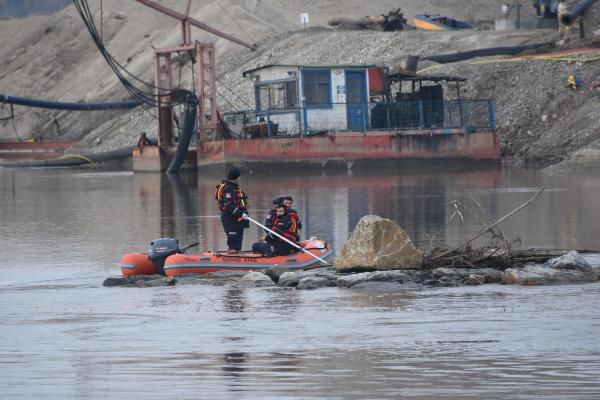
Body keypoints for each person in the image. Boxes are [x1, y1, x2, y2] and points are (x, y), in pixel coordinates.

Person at [215, 167, 249, 254]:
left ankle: (237, 254)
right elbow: (229, 204)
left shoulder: (235, 188)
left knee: (238, 243)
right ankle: (232, 254)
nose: (240, 178)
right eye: (239, 177)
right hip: (230, 219)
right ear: (236, 178)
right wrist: (240, 214)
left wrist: (243, 214)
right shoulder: (228, 189)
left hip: (238, 219)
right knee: (233, 242)